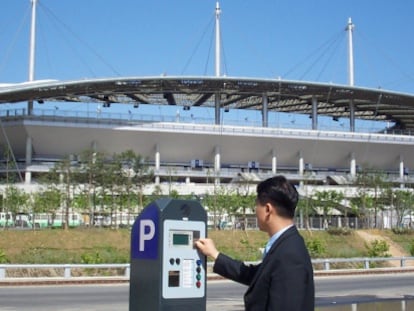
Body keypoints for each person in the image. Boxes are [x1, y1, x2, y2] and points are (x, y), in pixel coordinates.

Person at [195, 175, 314, 311]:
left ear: (268, 209)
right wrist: (215, 254)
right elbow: (254, 275)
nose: (255, 211)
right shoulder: (285, 244)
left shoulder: (289, 254)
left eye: (256, 205)